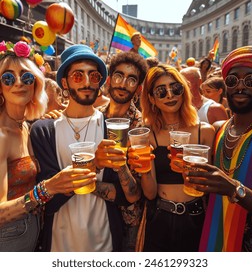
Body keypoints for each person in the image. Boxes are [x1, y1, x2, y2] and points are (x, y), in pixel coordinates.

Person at [30, 44, 134, 252]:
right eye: (78, 76)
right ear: (64, 82)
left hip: (105, 243)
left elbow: (123, 196)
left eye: (94, 76)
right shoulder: (43, 130)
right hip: (60, 245)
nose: (87, 82)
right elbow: (49, 201)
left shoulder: (113, 129)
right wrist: (95, 166)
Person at [0, 40, 96, 251]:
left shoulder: (27, 127)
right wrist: (47, 189)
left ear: (36, 84)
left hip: (33, 234)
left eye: (26, 77)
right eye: (8, 78)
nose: (18, 83)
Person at [130, 64, 215, 251]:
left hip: (196, 218)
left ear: (183, 91)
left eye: (175, 88)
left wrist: (192, 173)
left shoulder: (205, 132)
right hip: (161, 218)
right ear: (151, 98)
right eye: (161, 91)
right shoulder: (148, 135)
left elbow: (212, 186)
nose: (170, 95)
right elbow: (150, 193)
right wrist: (143, 169)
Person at [185, 45, 252, 251]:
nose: (240, 87)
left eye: (251, 81)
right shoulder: (218, 130)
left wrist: (233, 188)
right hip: (214, 238)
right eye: (232, 80)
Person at [100, 51, 148, 251]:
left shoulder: (141, 127)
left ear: (138, 89)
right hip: (94, 213)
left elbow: (134, 193)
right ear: (109, 80)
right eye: (119, 76)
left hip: (127, 222)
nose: (122, 84)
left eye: (131, 80)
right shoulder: (95, 116)